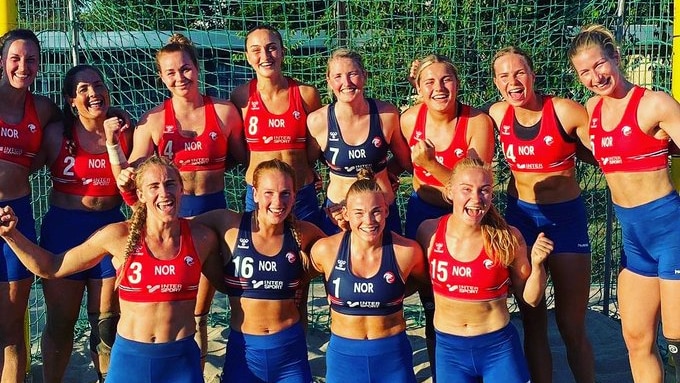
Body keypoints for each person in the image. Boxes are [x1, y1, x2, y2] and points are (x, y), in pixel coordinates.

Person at [0, 155, 223, 383]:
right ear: (140, 195)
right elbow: (52, 267)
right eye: (154, 186)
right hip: (131, 361)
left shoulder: (201, 238)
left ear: (182, 189)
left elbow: (231, 287)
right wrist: (11, 235)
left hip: (181, 361)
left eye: (170, 184)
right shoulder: (119, 236)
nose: (164, 193)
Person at [112, 33, 245, 368]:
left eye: (185, 69)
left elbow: (245, 159)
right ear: (161, 77)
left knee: (214, 302)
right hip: (171, 219)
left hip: (212, 213)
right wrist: (118, 156)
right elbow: (133, 171)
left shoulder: (225, 112)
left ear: (197, 69)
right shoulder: (153, 121)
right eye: (170, 72)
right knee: (182, 305)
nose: (179, 78)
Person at [569, 24, 680, 383]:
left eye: (599, 65)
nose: (594, 77)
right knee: (635, 339)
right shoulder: (592, 110)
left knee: (678, 344)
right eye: (584, 71)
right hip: (635, 241)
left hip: (671, 234)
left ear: (616, 58)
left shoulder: (655, 104)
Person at [487, 46, 595, 383]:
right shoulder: (497, 114)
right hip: (520, 219)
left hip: (565, 221)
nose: (513, 81)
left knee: (570, 324)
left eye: (519, 73)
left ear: (533, 75)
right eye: (504, 76)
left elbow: (606, 150)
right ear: (496, 82)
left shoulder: (565, 111)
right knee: (531, 318)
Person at [37, 64, 134, 383]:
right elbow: (18, 168)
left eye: (98, 85)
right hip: (65, 231)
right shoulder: (55, 134)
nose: (94, 92)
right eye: (83, 89)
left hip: (110, 229)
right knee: (61, 324)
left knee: (107, 324)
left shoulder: (125, 131)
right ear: (70, 101)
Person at [415, 158, 553, 382]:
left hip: (497, 349)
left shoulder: (508, 237)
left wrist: (537, 266)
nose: (476, 199)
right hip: (450, 351)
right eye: (466, 189)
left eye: (484, 190)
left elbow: (531, 299)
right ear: (450, 191)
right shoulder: (428, 232)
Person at [401, 54, 495, 379]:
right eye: (429, 81)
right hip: (423, 211)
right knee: (431, 301)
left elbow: (472, 187)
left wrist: (429, 164)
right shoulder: (409, 120)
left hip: (469, 217)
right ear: (418, 87)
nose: (439, 88)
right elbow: (401, 163)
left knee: (469, 295)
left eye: (446, 80)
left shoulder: (477, 121)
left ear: (457, 83)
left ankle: (484, 364)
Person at [193, 159, 325, 383]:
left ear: (295, 196)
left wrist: (344, 224)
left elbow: (342, 255)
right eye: (268, 193)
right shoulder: (229, 225)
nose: (277, 201)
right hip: (244, 353)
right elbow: (178, 227)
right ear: (254, 194)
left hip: (289, 355)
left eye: (285, 193)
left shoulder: (305, 233)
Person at [310, 169, 427, 383]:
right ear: (345, 214)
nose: (369, 220)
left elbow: (427, 283)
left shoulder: (407, 252)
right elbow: (295, 279)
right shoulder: (325, 251)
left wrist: (394, 290)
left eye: (376, 211)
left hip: (392, 357)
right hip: (344, 360)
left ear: (387, 211)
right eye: (359, 213)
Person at [0, 28, 62, 382]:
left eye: (31, 60)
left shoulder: (42, 109)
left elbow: (78, 119)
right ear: (2, 61)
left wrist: (116, 113)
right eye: (15, 58)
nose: (23, 66)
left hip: (16, 217)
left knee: (11, 329)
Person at [308, 48, 412, 235]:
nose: (346, 83)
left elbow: (407, 161)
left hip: (381, 212)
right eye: (338, 76)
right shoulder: (318, 121)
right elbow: (305, 164)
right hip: (339, 215)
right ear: (329, 81)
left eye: (353, 74)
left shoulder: (386, 115)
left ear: (364, 76)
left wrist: (383, 171)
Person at [230, 24, 323, 225]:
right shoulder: (240, 97)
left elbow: (317, 144)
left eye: (271, 47)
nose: (265, 55)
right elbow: (239, 150)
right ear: (247, 56)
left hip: (300, 193)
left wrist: (303, 166)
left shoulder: (306, 94)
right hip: (259, 197)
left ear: (282, 52)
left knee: (307, 253)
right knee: (259, 251)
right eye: (256, 50)